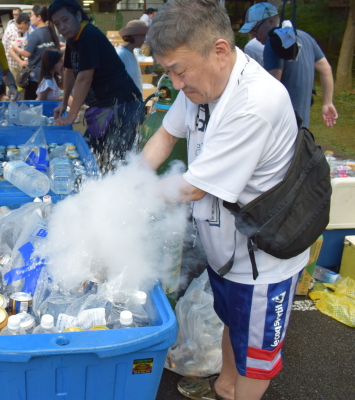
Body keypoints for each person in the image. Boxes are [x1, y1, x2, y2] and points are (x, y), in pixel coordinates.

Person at [142, 1, 311, 399]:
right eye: (168, 71)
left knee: (257, 356)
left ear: (219, 50)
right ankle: (225, 385)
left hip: (261, 263)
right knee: (231, 323)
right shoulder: (202, 84)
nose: (176, 83)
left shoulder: (255, 103)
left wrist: (126, 201)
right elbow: (166, 136)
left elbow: (192, 188)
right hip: (226, 250)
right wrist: (129, 177)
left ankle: (241, 391)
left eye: (178, 70)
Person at [49, 0, 142, 172]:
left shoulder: (89, 34)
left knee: (118, 160)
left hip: (124, 104)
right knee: (88, 152)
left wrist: (71, 115)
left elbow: (84, 77)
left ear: (78, 15)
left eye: (65, 20)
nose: (62, 26)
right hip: (102, 105)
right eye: (57, 24)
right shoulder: (72, 39)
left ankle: (121, 194)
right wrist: (64, 103)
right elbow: (69, 70)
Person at [239, 2, 338, 129]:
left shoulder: (272, 43)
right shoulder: (305, 37)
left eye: (255, 30)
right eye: (250, 32)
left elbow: (273, 86)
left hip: (282, 125)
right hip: (302, 126)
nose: (254, 36)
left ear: (271, 21)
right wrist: (327, 102)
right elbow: (326, 69)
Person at [10, 5, 60, 100]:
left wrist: (15, 47)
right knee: (46, 102)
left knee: (32, 104)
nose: (30, 17)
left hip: (35, 76)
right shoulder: (52, 31)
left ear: (39, 17)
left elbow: (27, 53)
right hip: (50, 75)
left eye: (32, 15)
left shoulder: (35, 34)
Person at [116, 20, 148, 98]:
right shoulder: (121, 54)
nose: (144, 39)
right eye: (143, 36)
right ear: (134, 35)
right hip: (126, 103)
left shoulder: (131, 53)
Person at [2, 13, 31, 90]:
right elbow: (11, 50)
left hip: (17, 64)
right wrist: (21, 62)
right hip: (11, 64)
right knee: (12, 88)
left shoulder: (20, 30)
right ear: (22, 23)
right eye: (27, 25)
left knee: (20, 88)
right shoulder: (12, 31)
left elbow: (20, 45)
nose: (27, 28)